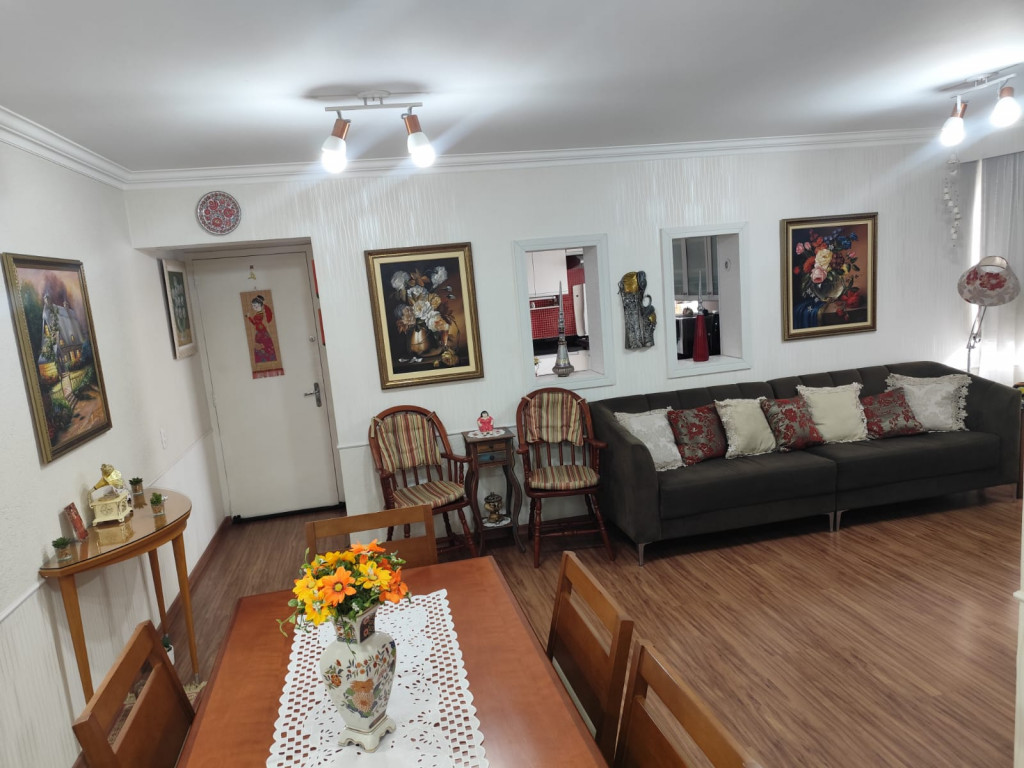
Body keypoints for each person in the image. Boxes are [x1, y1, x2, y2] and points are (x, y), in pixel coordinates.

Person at [247, 294, 277, 363]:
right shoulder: (258, 314)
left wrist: (249, 317)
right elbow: (254, 323)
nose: (254, 307)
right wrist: (249, 317)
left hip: (262, 332)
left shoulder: (260, 314)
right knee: (260, 348)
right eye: (253, 306)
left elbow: (256, 322)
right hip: (259, 332)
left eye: (255, 306)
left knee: (265, 347)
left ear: (260, 305)